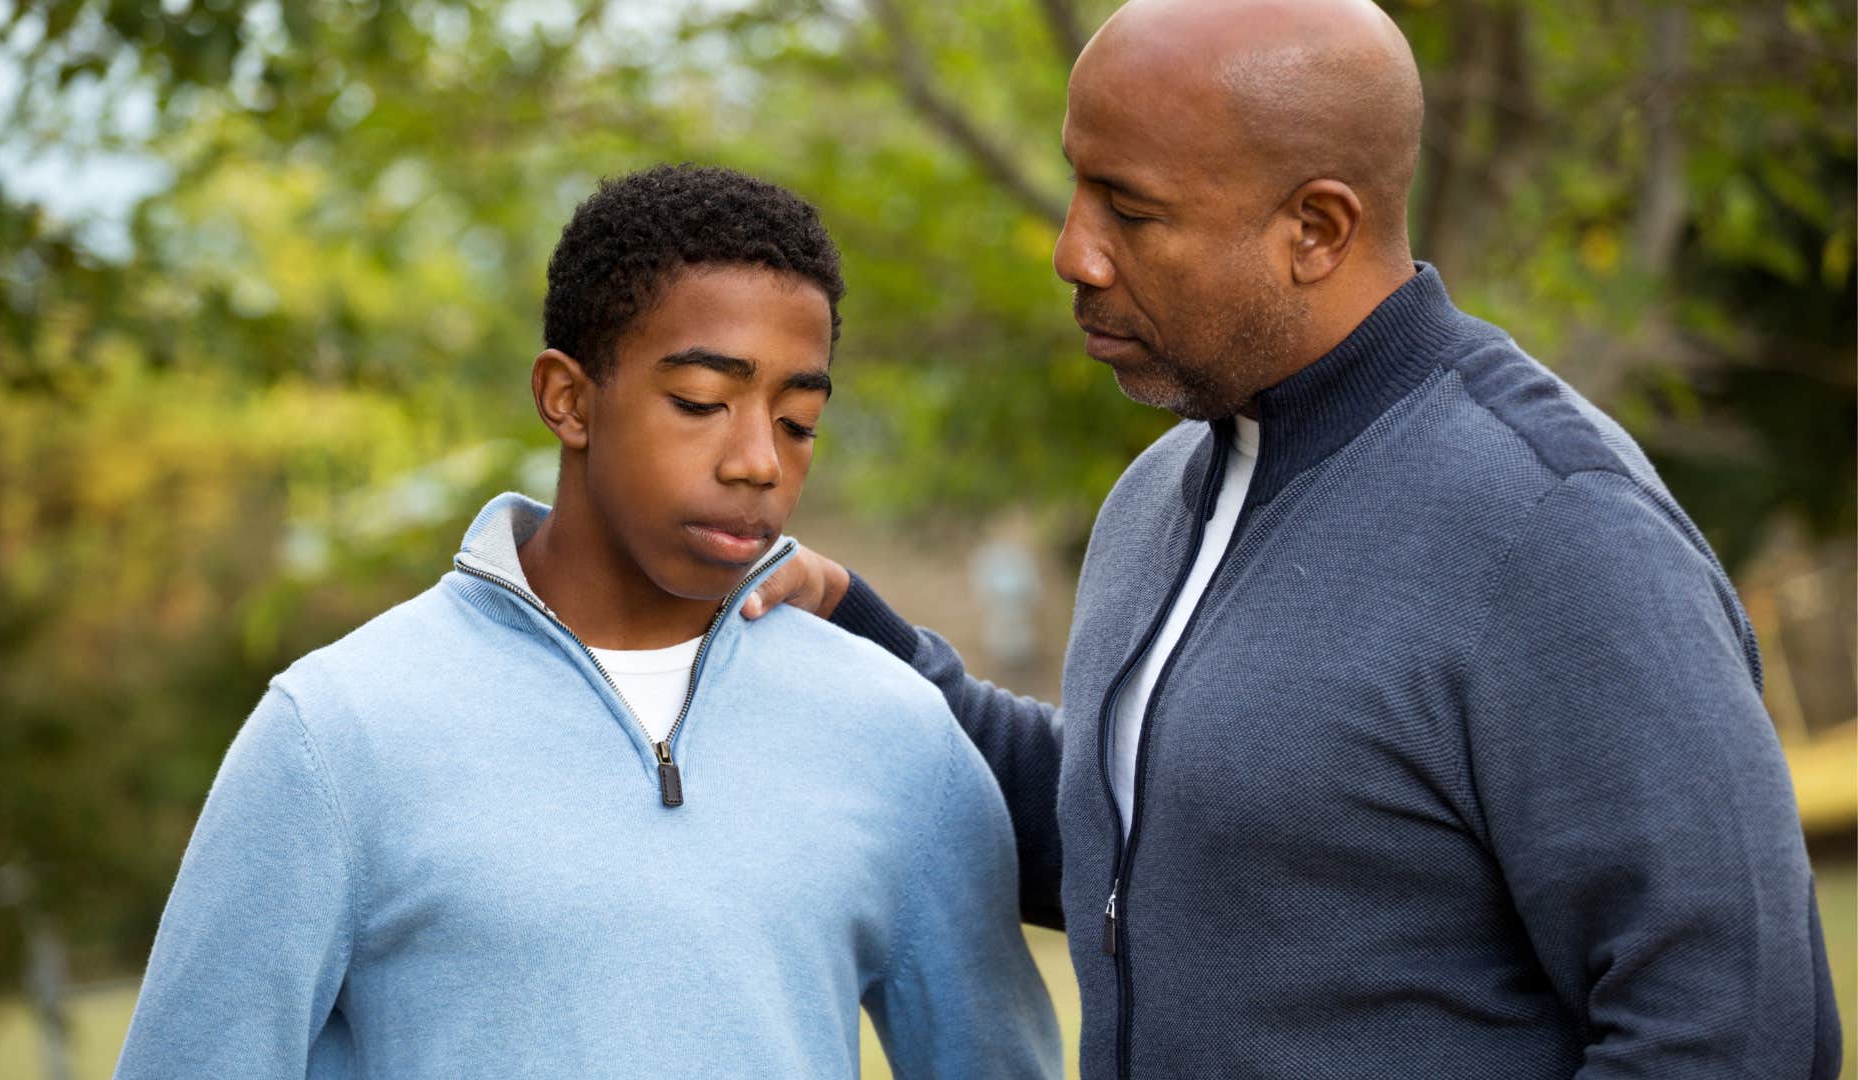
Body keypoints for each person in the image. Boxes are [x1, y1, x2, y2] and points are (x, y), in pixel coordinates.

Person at [743, 1, 1842, 1077]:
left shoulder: (1556, 527)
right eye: (1079, 183)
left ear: (1316, 230)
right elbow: (1137, 840)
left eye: (1129, 209)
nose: (1073, 252)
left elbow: (1735, 1027)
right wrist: (854, 637)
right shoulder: (1162, 489)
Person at [114, 164, 1060, 1079]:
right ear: (567, 399)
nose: (757, 461)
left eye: (799, 420)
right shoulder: (338, 733)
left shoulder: (893, 731)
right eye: (700, 403)